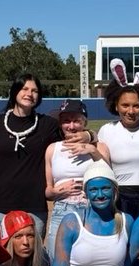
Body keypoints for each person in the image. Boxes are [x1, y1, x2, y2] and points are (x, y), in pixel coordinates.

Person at [0, 74, 96, 240]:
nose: (29, 93)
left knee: (31, 260)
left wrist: (89, 135)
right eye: (25, 89)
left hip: (33, 204)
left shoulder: (47, 125)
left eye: (34, 90)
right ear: (15, 91)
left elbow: (71, 134)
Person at [97, 74, 139, 218]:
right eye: (125, 105)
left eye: (136, 106)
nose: (131, 111)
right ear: (116, 105)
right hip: (120, 197)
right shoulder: (106, 130)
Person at [44, 99, 103, 256]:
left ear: (85, 122)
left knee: (90, 259)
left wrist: (92, 149)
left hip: (91, 210)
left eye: (76, 121)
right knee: (55, 259)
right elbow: (48, 192)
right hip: (61, 209)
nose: (71, 126)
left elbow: (108, 175)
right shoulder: (52, 149)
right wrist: (56, 192)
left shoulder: (97, 146)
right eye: (66, 121)